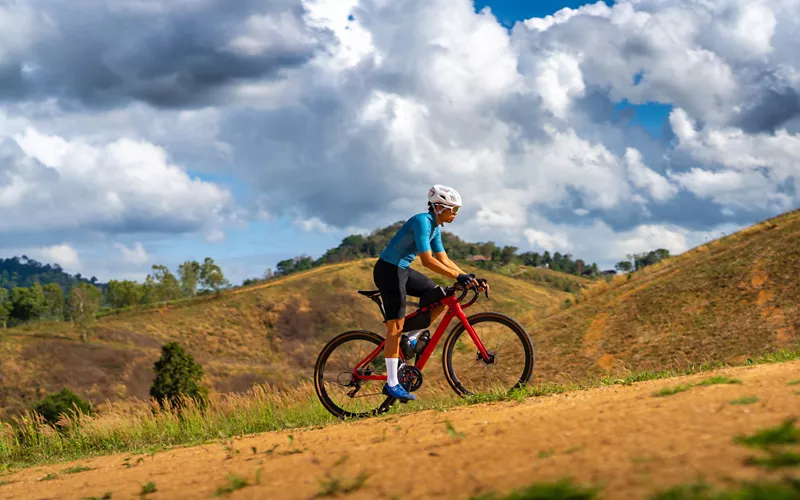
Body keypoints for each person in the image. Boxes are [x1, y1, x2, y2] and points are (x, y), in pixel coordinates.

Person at [373, 185, 488, 402]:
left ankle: (411, 339)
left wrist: (468, 278)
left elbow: (443, 259)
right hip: (388, 271)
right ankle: (392, 383)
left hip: (402, 270)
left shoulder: (435, 228)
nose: (455, 214)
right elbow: (427, 261)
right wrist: (458, 277)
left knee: (439, 295)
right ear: (438, 207)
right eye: (453, 209)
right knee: (395, 327)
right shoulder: (422, 221)